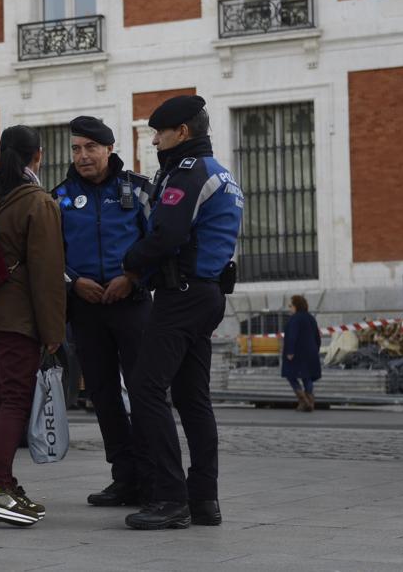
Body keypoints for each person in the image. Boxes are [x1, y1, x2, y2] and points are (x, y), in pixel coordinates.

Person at [120, 95, 243, 530]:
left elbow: (167, 234)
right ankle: (204, 499)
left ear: (183, 133)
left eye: (160, 133)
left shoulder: (189, 173)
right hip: (205, 295)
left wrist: (129, 262)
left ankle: (171, 498)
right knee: (193, 399)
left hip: (182, 296)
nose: (154, 140)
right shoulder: (221, 174)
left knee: (146, 388)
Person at [0, 125, 65, 527]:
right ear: (37, 156)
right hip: (15, 320)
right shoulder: (38, 203)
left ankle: (2, 483)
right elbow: (47, 274)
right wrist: (54, 333)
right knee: (14, 402)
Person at [54, 116, 154, 507]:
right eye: (76, 148)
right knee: (103, 395)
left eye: (90, 148)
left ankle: (152, 476)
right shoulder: (59, 197)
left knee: (145, 392)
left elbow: (158, 243)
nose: (82, 156)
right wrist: (73, 282)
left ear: (110, 149)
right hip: (86, 309)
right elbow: (49, 254)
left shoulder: (140, 190)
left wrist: (132, 277)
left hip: (131, 306)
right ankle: (124, 476)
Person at [282, 295, 322, 412]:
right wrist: (316, 349)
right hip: (311, 353)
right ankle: (309, 401)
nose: (289, 308)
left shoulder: (295, 319)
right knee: (307, 377)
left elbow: (291, 336)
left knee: (290, 375)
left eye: (290, 306)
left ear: (296, 306)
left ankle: (304, 401)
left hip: (297, 353)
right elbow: (317, 337)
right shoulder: (311, 318)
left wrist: (290, 351)